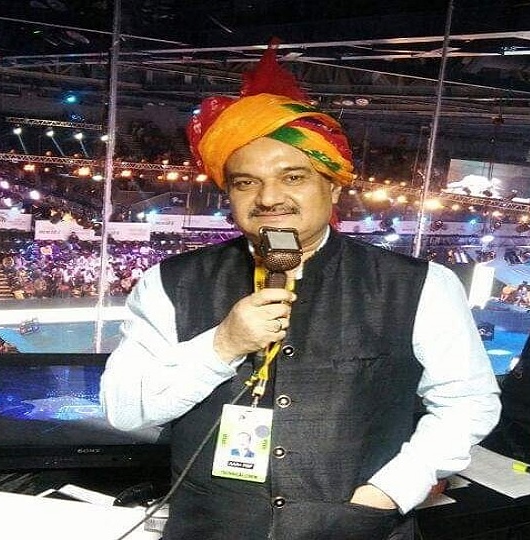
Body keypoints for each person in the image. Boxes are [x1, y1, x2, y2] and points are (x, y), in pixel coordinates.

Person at [100, 41, 501, 540]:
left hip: (358, 528)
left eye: (293, 177)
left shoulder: (420, 285)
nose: (269, 197)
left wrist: (391, 490)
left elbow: (469, 402)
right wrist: (222, 344)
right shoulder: (169, 282)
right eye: (246, 183)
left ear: (333, 186)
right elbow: (124, 410)